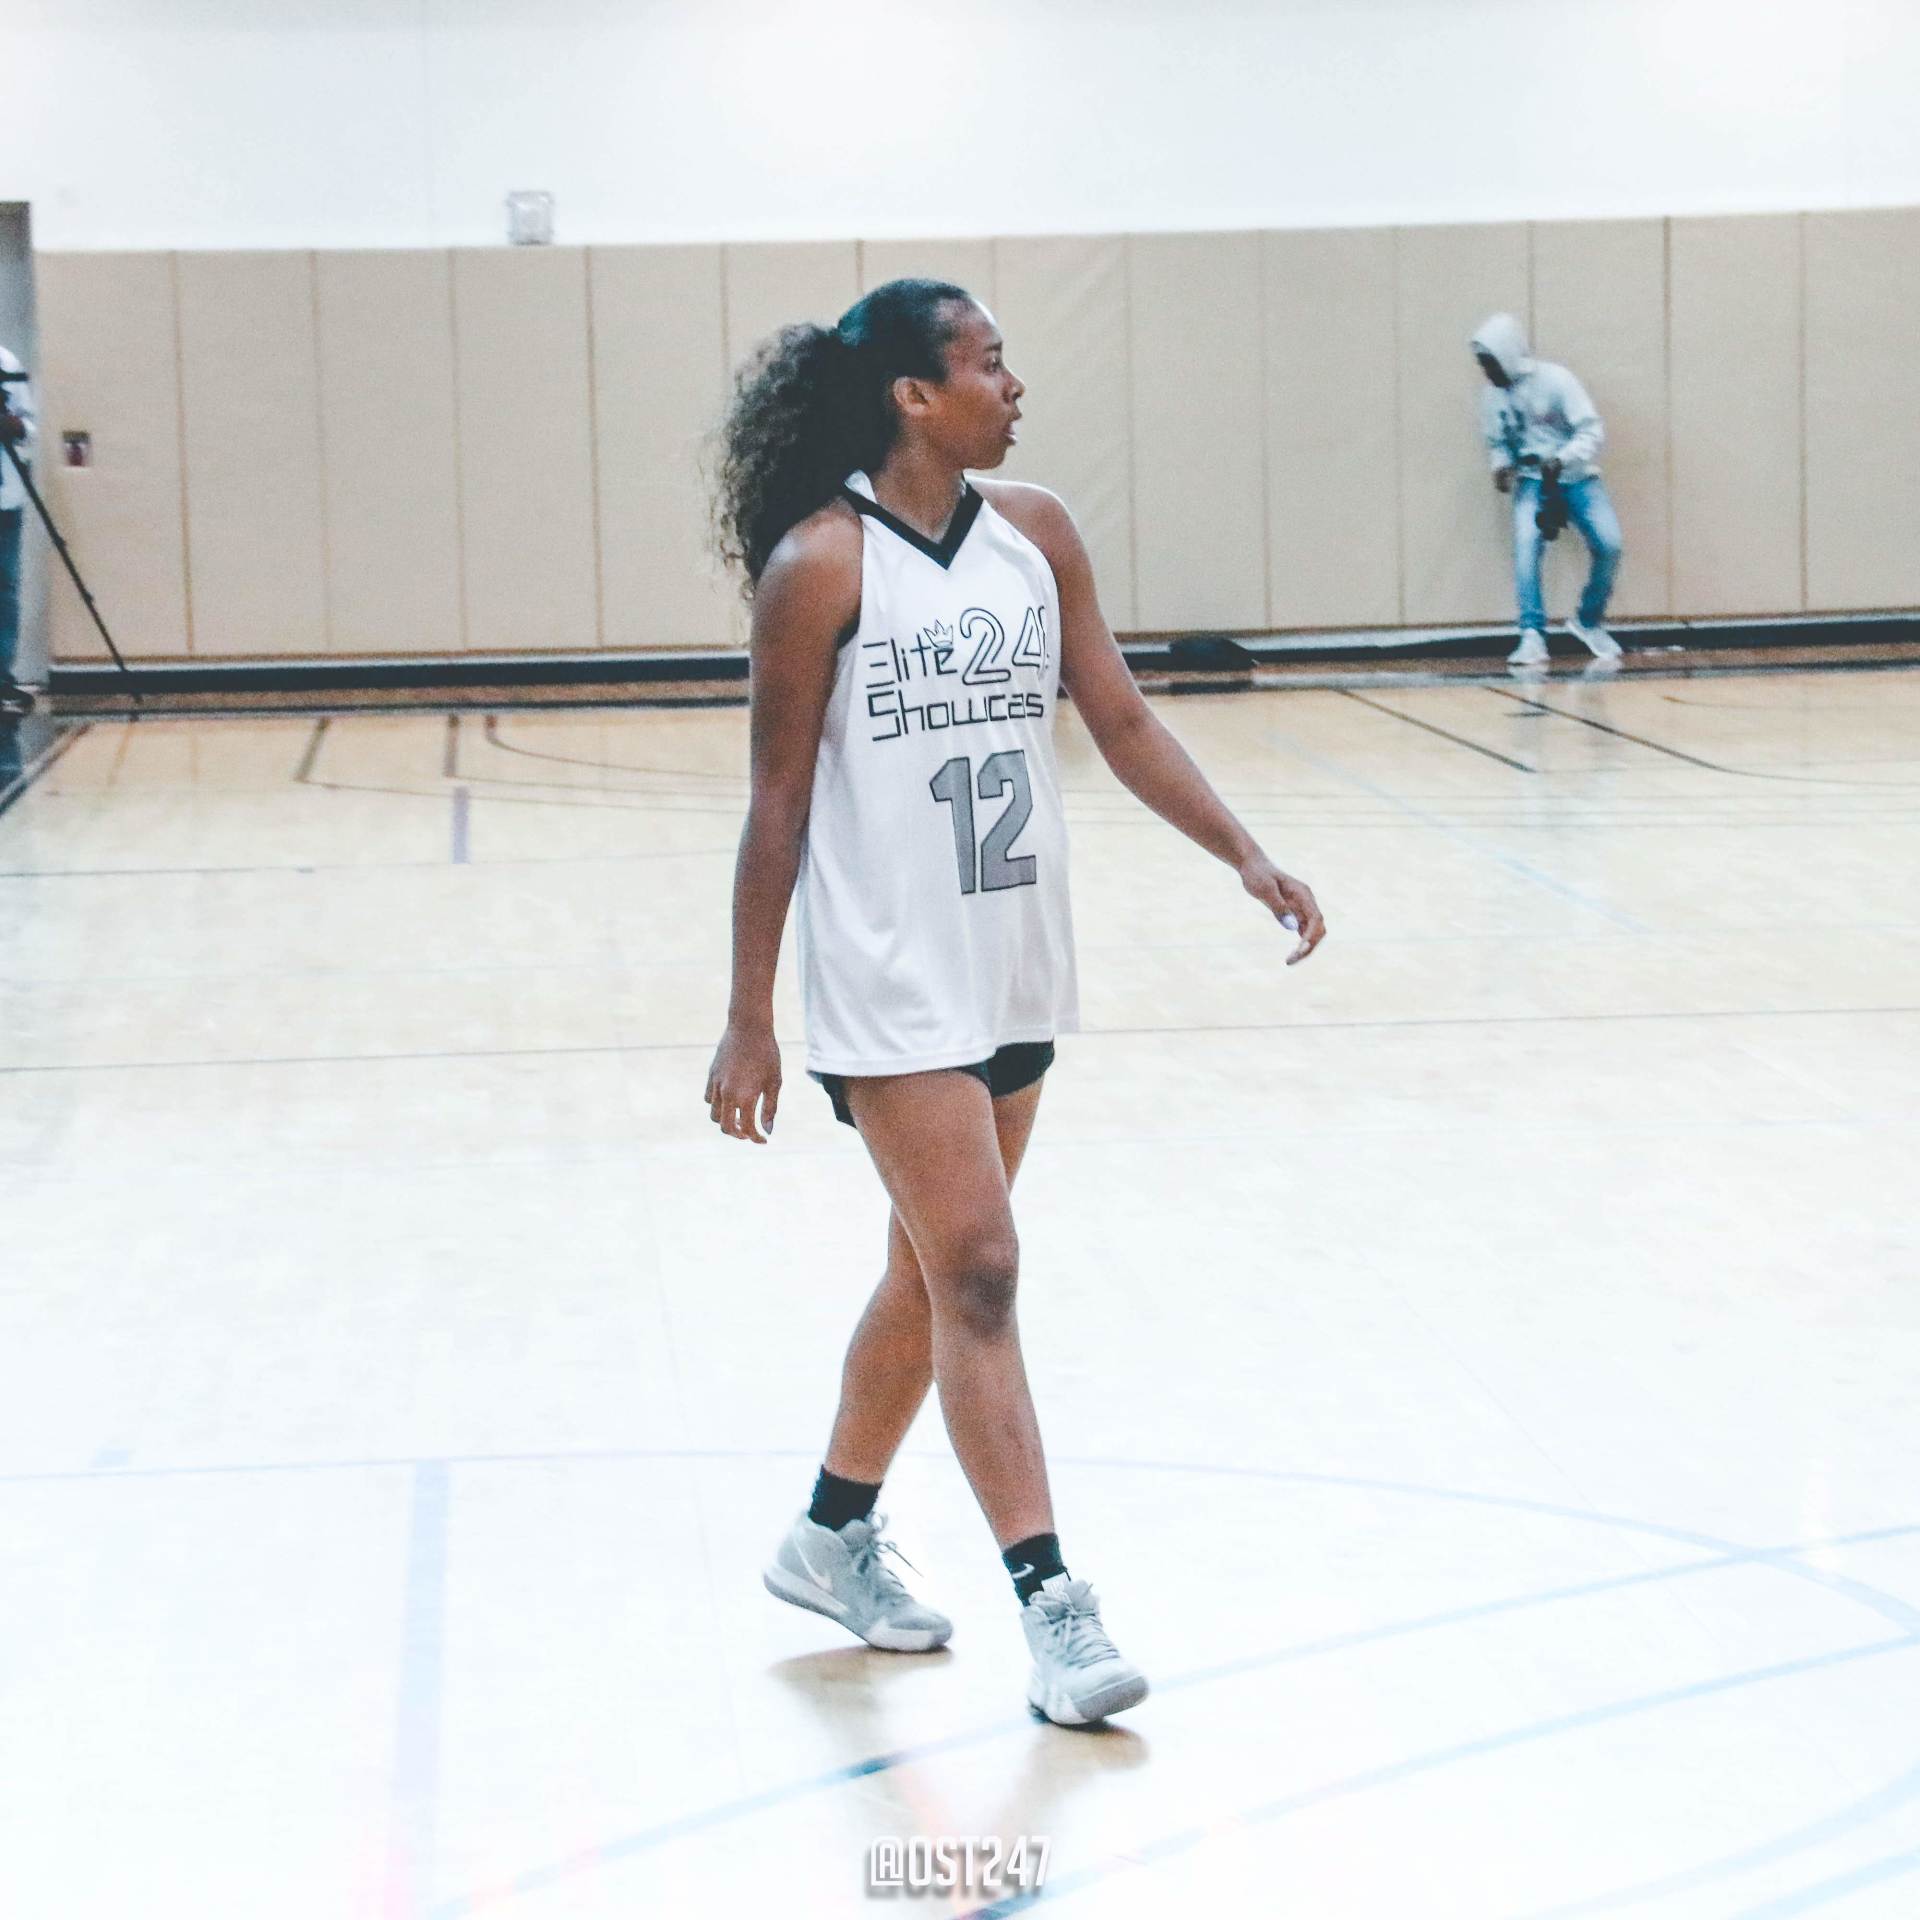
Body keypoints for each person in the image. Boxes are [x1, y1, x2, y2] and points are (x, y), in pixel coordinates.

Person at [704, 279, 1326, 1727]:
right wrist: (749, 1014)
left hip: (1013, 961)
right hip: (889, 975)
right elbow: (775, 806)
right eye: (989, 363)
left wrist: (1243, 852)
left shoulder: (1035, 535)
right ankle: (1054, 1609)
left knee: (932, 1272)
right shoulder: (820, 564)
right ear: (914, 397)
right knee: (981, 1268)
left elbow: (1120, 715)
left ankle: (830, 1534)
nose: (1014, 384)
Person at [1470, 313, 1623, 670]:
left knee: (1610, 545)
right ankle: (1531, 634)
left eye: (1491, 362)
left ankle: (1588, 620)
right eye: (1483, 364)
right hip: (1532, 480)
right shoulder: (1492, 397)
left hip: (1578, 477)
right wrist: (1501, 466)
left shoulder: (1557, 381)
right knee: (1526, 549)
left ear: (1507, 355)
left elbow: (1591, 430)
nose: (1487, 372)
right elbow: (1498, 442)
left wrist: (1563, 458)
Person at [0, 343, 37, 717]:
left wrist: (15, 426)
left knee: (4, 588)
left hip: (5, 501)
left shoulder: (6, 362)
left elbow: (30, 427)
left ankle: (1, 680)